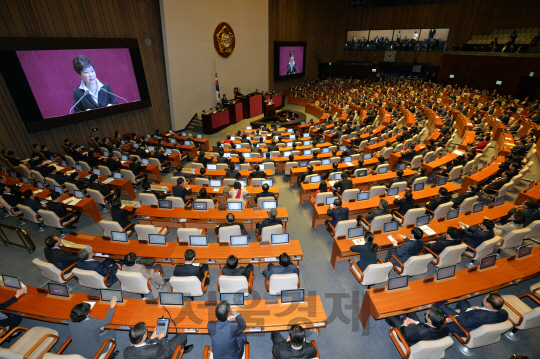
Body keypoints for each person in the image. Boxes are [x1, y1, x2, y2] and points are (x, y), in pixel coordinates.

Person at [436, 293, 508, 337]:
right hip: (471, 315)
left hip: (461, 322)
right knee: (461, 299)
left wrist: (455, 317)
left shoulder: (479, 316)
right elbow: (483, 312)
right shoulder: (504, 313)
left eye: (485, 298)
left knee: (440, 304)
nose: (484, 298)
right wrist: (477, 307)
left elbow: (464, 323)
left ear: (489, 305)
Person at [124, 321, 193, 358]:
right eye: (145, 331)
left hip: (153, 353)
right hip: (166, 352)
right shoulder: (155, 349)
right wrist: (162, 339)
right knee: (182, 334)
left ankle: (178, 348)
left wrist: (151, 338)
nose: (147, 330)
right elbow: (167, 353)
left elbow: (142, 345)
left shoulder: (126, 351)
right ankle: (179, 351)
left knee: (156, 335)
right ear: (143, 337)